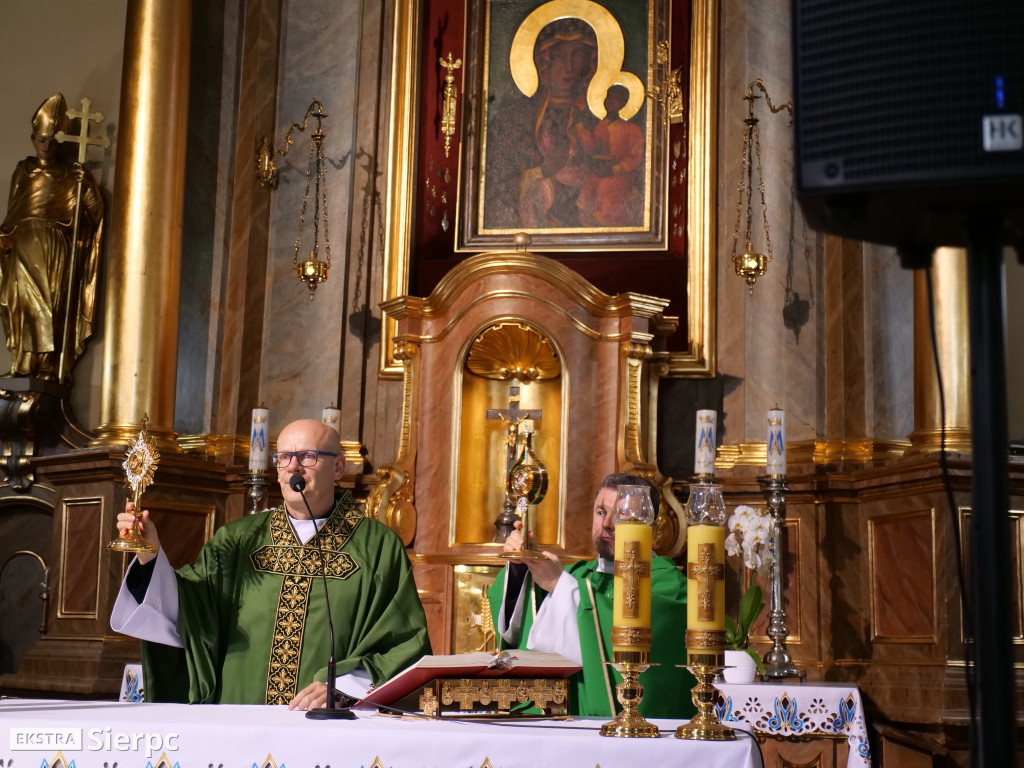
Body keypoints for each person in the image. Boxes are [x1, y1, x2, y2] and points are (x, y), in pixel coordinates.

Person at [110, 418, 431, 708]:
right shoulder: (237, 540)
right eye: (284, 458)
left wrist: (344, 686)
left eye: (308, 456)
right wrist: (149, 554)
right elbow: (192, 612)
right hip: (240, 726)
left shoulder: (376, 547)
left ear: (338, 468)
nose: (294, 467)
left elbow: (401, 644)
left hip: (327, 732)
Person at [488, 473, 696, 719]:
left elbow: (646, 645)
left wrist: (559, 585)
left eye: (619, 515)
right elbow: (520, 626)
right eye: (600, 512)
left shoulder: (669, 583)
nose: (606, 523)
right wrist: (522, 566)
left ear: (649, 525)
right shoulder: (577, 576)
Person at [0, 93, 103, 380]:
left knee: (52, 303)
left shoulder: (72, 175)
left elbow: (94, 216)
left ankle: (48, 364)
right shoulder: (24, 170)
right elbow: (13, 213)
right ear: (33, 140)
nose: (46, 146)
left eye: (51, 141)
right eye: (40, 140)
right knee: (21, 302)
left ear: (60, 143)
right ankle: (22, 362)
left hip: (56, 244)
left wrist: (89, 186)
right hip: (22, 244)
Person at [485, 17, 600, 229]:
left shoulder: (596, 124)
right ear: (544, 61)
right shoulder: (511, 121)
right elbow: (495, 192)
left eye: (578, 56)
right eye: (559, 57)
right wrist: (540, 172)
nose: (568, 67)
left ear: (590, 63)